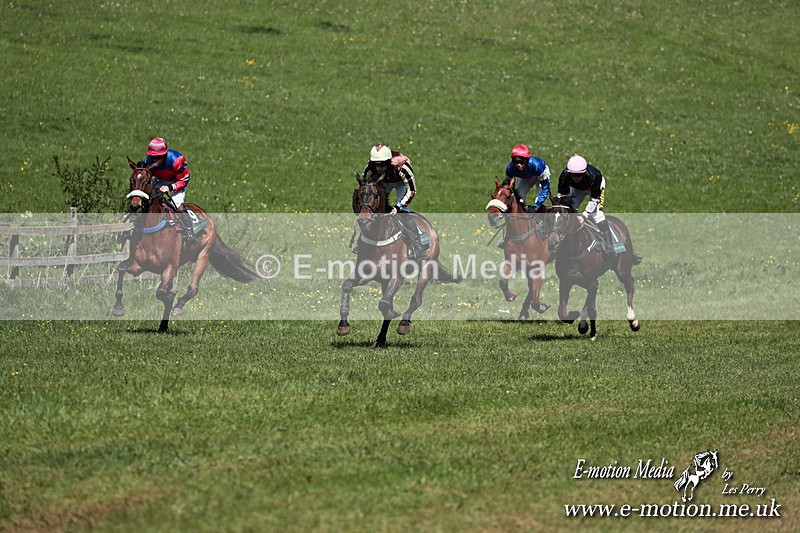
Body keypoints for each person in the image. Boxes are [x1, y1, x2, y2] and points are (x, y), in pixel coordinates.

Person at [361, 143, 428, 257]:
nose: (379, 168)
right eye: (376, 165)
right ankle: (363, 242)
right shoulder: (369, 169)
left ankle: (417, 242)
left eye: (382, 165)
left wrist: (398, 207)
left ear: (388, 162)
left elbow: (411, 190)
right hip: (382, 182)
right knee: (375, 209)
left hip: (401, 183)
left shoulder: (401, 166)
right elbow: (366, 186)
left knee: (403, 212)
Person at [556, 155, 623, 254]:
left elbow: (595, 200)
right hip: (576, 189)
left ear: (585, 172)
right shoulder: (564, 176)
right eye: (573, 175)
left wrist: (584, 216)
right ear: (568, 172)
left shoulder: (595, 176)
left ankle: (610, 245)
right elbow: (562, 198)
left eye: (579, 175)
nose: (576, 178)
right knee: (567, 212)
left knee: (597, 215)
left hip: (594, 188)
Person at [141, 137, 197, 243]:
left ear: (165, 154)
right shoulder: (147, 161)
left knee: (176, 203)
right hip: (160, 180)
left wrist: (170, 187)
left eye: (159, 157)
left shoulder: (176, 159)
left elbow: (185, 180)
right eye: (153, 157)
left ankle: (190, 232)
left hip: (177, 181)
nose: (156, 161)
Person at [504, 144, 551, 212]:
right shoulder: (510, 168)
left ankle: (541, 220)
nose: (519, 165)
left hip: (539, 177)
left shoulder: (537, 166)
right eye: (516, 162)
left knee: (539, 202)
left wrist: (537, 205)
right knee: (519, 197)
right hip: (525, 177)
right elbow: (506, 186)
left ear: (527, 160)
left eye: (521, 161)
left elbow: (545, 187)